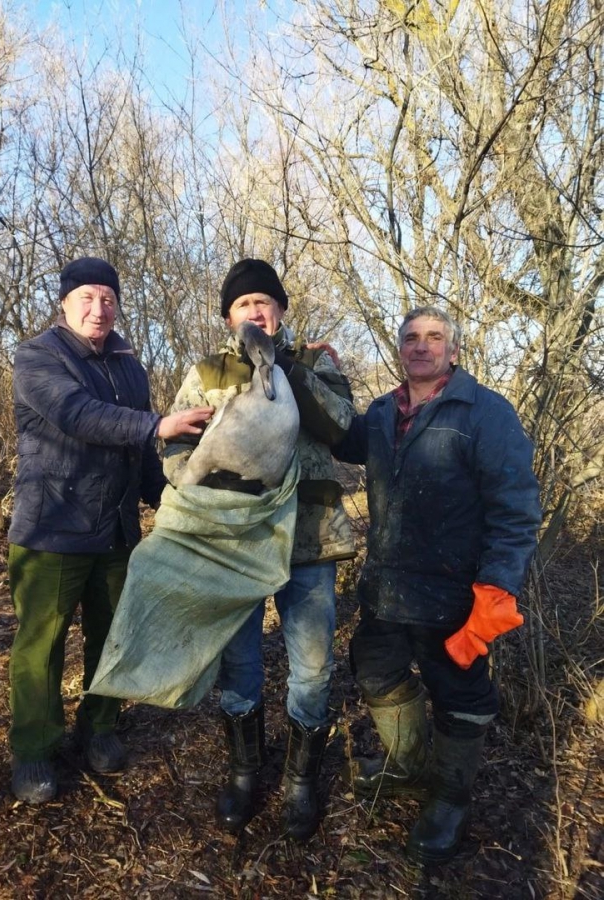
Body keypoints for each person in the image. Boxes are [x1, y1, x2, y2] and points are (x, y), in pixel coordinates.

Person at [332, 306, 541, 864]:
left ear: (452, 350)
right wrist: (320, 379)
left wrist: (497, 587)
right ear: (399, 349)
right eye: (411, 338)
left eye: (434, 338)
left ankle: (449, 798)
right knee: (374, 672)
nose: (421, 346)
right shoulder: (380, 413)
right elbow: (338, 437)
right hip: (386, 589)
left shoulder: (486, 414)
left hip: (456, 594)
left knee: (461, 696)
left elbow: (516, 510)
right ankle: (410, 768)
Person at [7, 256, 213, 804]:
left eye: (108, 299)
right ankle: (34, 747)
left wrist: (172, 500)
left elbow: (141, 447)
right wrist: (159, 423)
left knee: (112, 639)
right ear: (65, 304)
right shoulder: (36, 357)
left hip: (116, 531)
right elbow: (78, 415)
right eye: (87, 298)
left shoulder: (129, 366)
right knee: (41, 645)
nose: (99, 309)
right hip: (52, 528)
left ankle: (98, 726)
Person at [162, 258, 356, 841]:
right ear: (228, 317)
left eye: (264, 303)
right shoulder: (206, 373)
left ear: (280, 312)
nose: (255, 312)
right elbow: (175, 461)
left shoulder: (317, 362)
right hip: (234, 543)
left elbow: (343, 428)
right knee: (240, 665)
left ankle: (299, 782)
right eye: (244, 305)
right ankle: (245, 774)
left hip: (310, 539)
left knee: (313, 669)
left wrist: (291, 371)